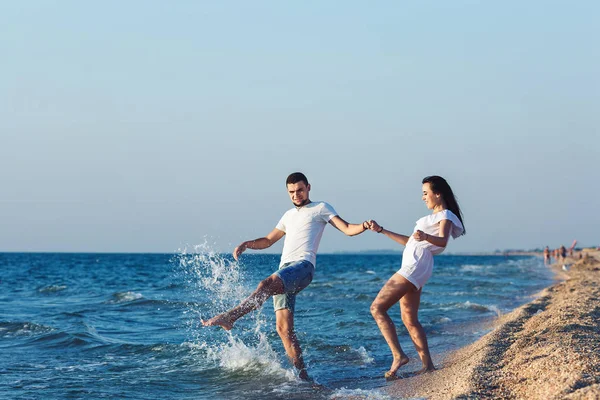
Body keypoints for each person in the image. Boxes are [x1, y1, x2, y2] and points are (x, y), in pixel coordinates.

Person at [202, 172, 369, 380]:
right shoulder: (288, 215)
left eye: (300, 190)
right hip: (286, 269)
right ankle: (303, 379)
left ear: (308, 187)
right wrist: (247, 244)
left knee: (266, 283)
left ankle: (231, 317)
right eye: (292, 192)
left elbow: (347, 229)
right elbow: (268, 240)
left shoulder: (321, 208)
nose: (296, 195)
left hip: (303, 267)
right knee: (283, 329)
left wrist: (363, 226)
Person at [366, 175, 465, 379]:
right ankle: (428, 365)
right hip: (417, 266)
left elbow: (442, 241)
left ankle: (398, 356)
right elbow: (410, 241)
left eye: (425, 193)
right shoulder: (430, 218)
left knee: (377, 308)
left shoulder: (444, 214)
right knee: (409, 319)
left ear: (438, 194)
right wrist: (382, 230)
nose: (423, 198)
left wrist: (426, 236)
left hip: (414, 266)